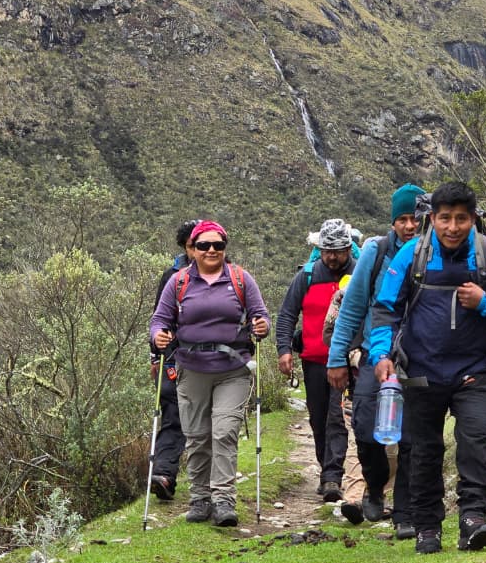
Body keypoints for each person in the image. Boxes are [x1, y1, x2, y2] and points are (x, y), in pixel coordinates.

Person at [369, 181, 486, 555]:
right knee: (423, 450)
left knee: (476, 442)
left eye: (461, 219)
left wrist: (485, 300)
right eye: (445, 219)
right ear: (432, 219)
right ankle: (427, 527)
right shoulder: (412, 255)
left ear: (473, 219)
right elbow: (384, 310)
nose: (453, 227)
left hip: (475, 369)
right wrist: (382, 356)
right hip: (420, 371)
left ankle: (473, 518)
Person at [148, 220, 269, 527]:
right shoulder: (178, 282)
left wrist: (261, 326)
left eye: (218, 245)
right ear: (194, 250)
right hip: (192, 369)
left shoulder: (241, 279)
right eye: (204, 245)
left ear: (225, 248)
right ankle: (200, 499)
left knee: (224, 432)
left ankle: (223, 500)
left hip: (234, 369)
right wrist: (159, 336)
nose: (211, 250)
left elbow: (261, 316)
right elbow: (160, 320)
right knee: (198, 436)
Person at [326, 183, 424, 540]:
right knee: (366, 429)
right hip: (373, 355)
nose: (410, 225)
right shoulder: (376, 252)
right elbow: (352, 309)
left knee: (413, 436)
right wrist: (337, 358)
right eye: (403, 219)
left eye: (416, 218)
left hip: (420, 359)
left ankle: (405, 512)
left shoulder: (435, 254)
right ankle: (375, 485)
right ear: (393, 221)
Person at [276, 218, 356, 502]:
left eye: (338, 251)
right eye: (327, 251)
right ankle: (326, 470)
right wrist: (284, 350)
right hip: (313, 360)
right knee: (318, 417)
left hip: (349, 362)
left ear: (349, 248)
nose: (332, 257)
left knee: (337, 416)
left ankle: (333, 476)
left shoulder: (359, 274)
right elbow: (287, 314)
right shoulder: (307, 276)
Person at [148, 219, 200, 502]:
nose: (199, 251)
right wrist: (155, 354)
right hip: (174, 356)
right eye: (193, 246)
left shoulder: (228, 275)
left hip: (211, 359)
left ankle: (208, 484)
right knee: (172, 414)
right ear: (184, 247)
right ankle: (164, 475)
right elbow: (158, 318)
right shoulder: (171, 276)